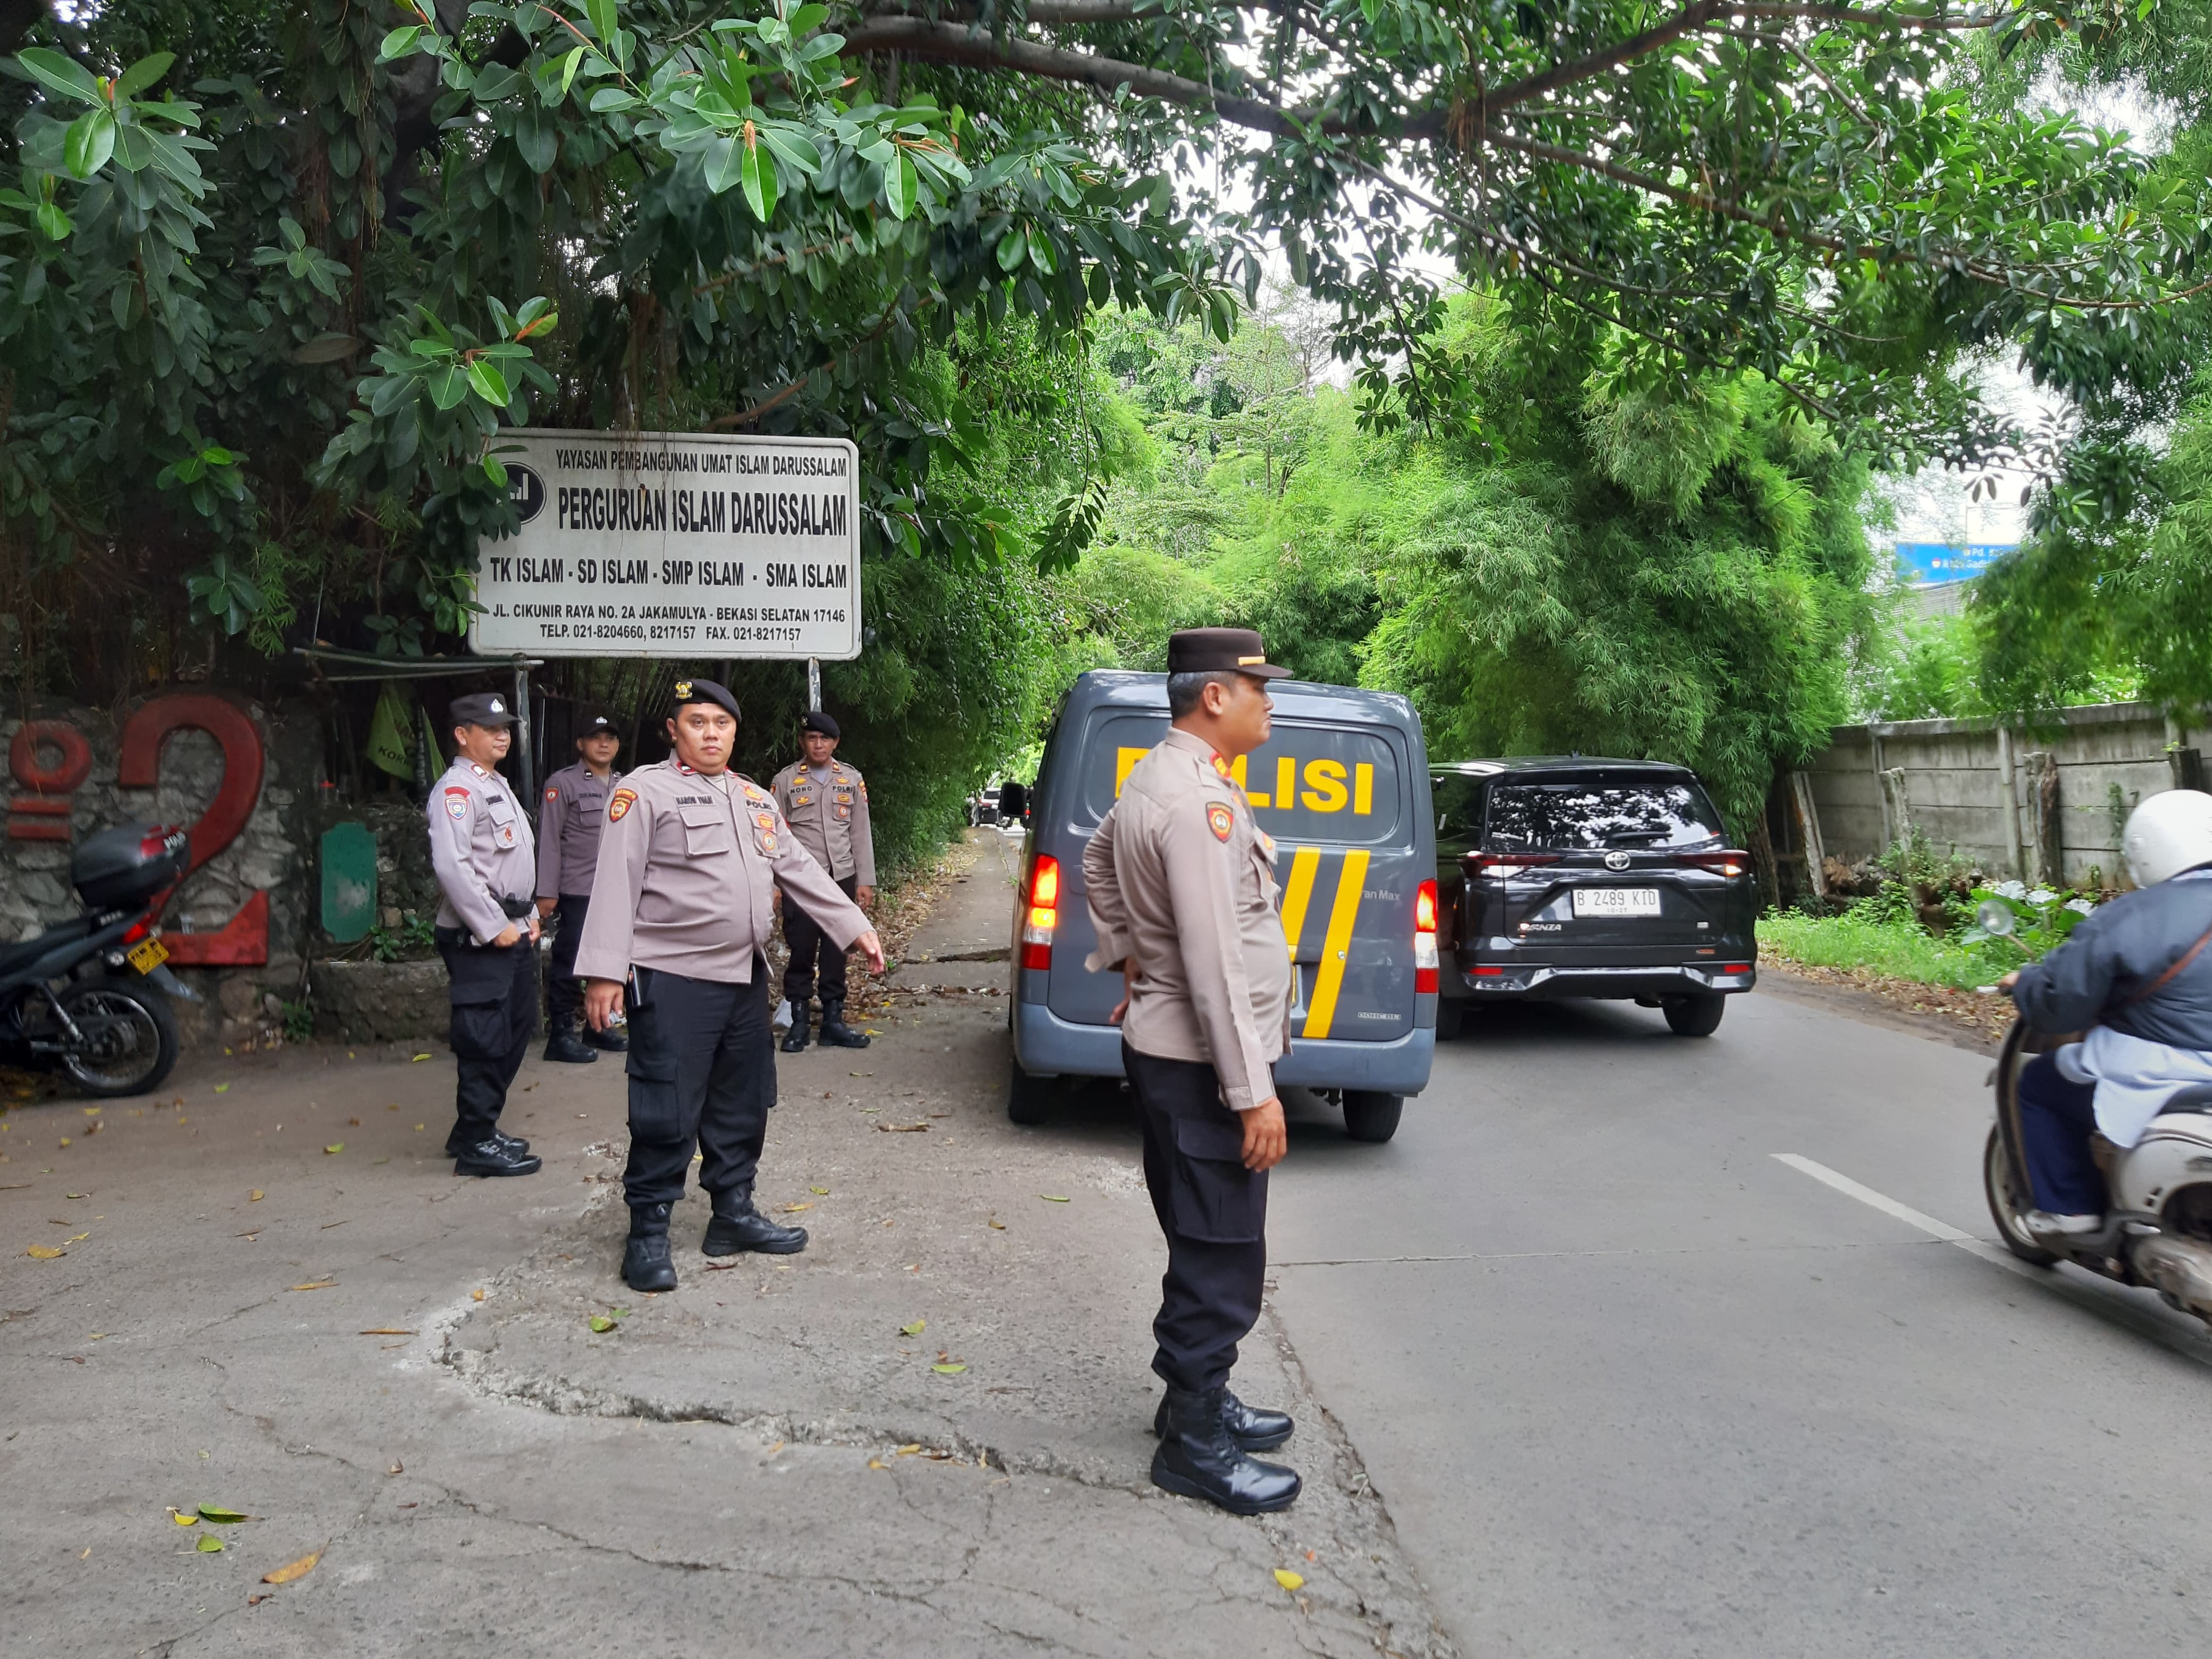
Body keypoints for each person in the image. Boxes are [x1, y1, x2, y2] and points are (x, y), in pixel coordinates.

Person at [1081, 626, 1303, 1516]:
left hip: (1170, 1046)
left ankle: (1195, 1399)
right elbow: (1212, 963)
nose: (1269, 703)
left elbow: (1098, 858)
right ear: (1216, 697)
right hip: (1204, 1064)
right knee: (1222, 1251)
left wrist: (1132, 954)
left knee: (1200, 1232)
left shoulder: (1164, 777)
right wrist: (1253, 1095)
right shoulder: (1196, 804)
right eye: (1260, 689)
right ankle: (1194, 1444)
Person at [575, 677, 886, 1293]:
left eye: (721, 723)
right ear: (675, 730)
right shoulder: (644, 792)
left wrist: (854, 927)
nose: (711, 733)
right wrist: (605, 972)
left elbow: (796, 865)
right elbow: (616, 880)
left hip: (744, 975)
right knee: (666, 1108)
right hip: (672, 978)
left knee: (742, 1103)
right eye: (698, 723)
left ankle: (733, 1214)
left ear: (734, 731)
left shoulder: (752, 798)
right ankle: (647, 1232)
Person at [2004, 788, 2212, 1236]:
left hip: (2164, 1070)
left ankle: (2070, 1208)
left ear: (2145, 853)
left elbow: (2060, 1007)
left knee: (2040, 1083)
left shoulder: (2131, 916)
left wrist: (2026, 986)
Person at [426, 691, 543, 1178]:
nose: (503, 735)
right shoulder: (456, 791)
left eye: (506, 728)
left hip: (512, 927)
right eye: (490, 728)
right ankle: (476, 1143)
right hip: (479, 936)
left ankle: (476, 1127)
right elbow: (453, 867)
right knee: (485, 1037)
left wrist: (529, 914)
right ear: (461, 735)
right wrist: (493, 927)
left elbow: (510, 862)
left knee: (515, 1030)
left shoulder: (494, 784)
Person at [770, 709, 876, 1051]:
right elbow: (772, 835)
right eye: (812, 738)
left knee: (837, 951)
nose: (818, 744)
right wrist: (774, 884)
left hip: (841, 877)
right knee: (801, 951)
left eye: (825, 739)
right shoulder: (785, 781)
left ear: (835, 743)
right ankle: (799, 1023)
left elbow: (860, 832)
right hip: (800, 883)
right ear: (803, 742)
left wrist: (866, 880)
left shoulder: (851, 779)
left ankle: (833, 1021)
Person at [535, 705, 626, 1065]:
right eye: (595, 738)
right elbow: (550, 840)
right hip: (578, 890)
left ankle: (599, 1027)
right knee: (570, 962)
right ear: (580, 744)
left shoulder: (626, 785)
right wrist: (547, 892)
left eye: (610, 738)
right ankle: (560, 1034)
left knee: (609, 962)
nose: (603, 745)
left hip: (616, 891)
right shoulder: (563, 783)